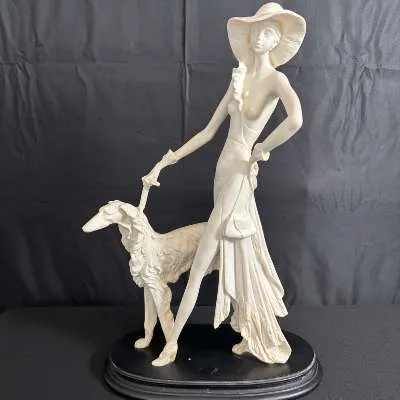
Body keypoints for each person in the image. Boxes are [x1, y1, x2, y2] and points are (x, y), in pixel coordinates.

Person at [144, 2, 307, 367]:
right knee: (238, 252)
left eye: (267, 32)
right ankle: (252, 331)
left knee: (201, 262)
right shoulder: (240, 77)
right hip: (222, 170)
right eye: (256, 30)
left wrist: (263, 147)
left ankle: (172, 343)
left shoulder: (277, 81)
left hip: (239, 175)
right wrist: (169, 160)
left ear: (277, 40)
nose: (259, 36)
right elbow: (208, 131)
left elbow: (295, 119)